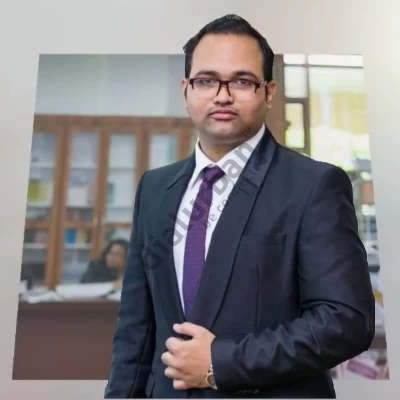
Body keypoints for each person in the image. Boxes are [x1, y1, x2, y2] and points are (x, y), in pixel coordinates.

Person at [104, 14, 375, 399]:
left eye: (242, 81)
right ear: (186, 90)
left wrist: (220, 362)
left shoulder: (314, 185)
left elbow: (346, 322)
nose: (222, 95)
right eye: (206, 80)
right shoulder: (155, 188)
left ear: (268, 93)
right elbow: (136, 328)